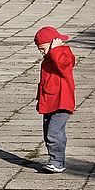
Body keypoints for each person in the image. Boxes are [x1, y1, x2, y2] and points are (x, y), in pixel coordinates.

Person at [34, 26, 76, 173]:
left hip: (62, 103)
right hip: (50, 103)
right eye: (40, 50)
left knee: (54, 133)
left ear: (53, 43)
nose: (42, 52)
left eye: (43, 48)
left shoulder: (63, 54)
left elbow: (64, 66)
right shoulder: (48, 60)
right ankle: (58, 160)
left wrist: (56, 49)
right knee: (48, 134)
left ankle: (56, 161)